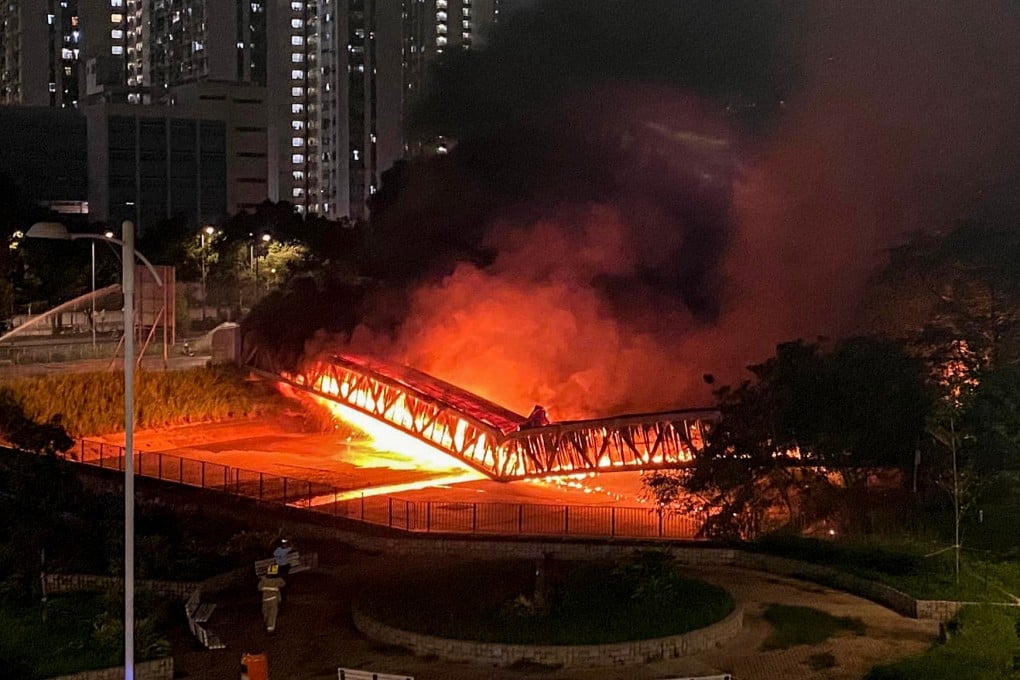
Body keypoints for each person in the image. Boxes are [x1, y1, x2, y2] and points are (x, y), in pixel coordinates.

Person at [258, 563, 286, 633]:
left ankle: (267, 624)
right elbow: (283, 584)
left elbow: (259, 588)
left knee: (266, 613)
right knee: (272, 614)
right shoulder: (278, 580)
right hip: (273, 600)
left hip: (265, 600)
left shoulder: (263, 580)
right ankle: (270, 629)